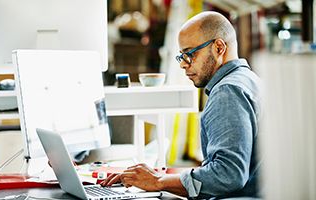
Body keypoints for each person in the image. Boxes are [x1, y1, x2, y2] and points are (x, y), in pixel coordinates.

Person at [101, 11, 261, 199]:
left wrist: (158, 182)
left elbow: (228, 176)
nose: (183, 64)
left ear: (219, 47)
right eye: (181, 56)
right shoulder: (249, 80)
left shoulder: (228, 92)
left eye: (190, 54)